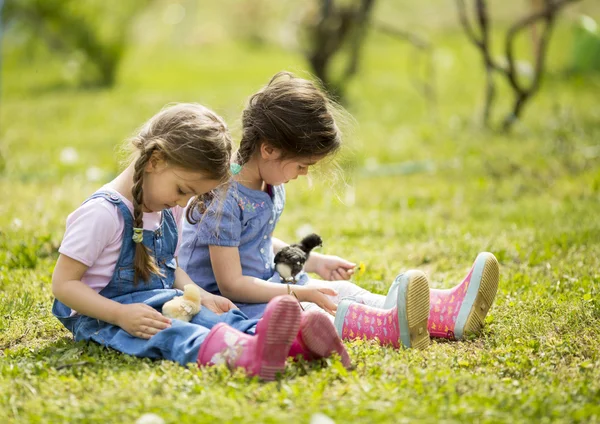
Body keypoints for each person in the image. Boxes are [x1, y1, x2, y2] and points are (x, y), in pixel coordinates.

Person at [180, 72, 501, 350]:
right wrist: (303, 290)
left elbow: (256, 242)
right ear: (269, 149)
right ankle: (388, 327)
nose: (304, 173)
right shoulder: (223, 202)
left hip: (262, 286)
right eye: (302, 165)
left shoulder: (264, 183)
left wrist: (314, 261)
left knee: (339, 290)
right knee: (313, 311)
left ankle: (445, 313)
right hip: (229, 303)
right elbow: (231, 284)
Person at [51, 103, 349, 381]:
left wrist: (199, 294)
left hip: (160, 299)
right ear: (155, 160)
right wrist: (119, 314)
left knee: (216, 314)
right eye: (182, 190)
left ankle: (293, 342)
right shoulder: (102, 214)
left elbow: (169, 267)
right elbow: (64, 287)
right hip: (103, 315)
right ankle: (246, 356)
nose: (181, 202)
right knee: (173, 332)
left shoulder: (169, 207)